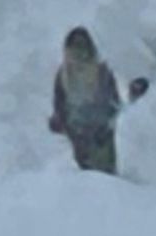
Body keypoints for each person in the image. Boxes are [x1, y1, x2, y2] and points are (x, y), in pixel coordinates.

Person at [48, 27, 140, 175]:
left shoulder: (101, 72)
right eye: (74, 47)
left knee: (103, 178)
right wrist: (59, 121)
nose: (78, 52)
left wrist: (104, 127)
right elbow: (60, 105)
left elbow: (112, 104)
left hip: (101, 137)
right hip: (78, 136)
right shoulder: (63, 76)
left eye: (82, 47)